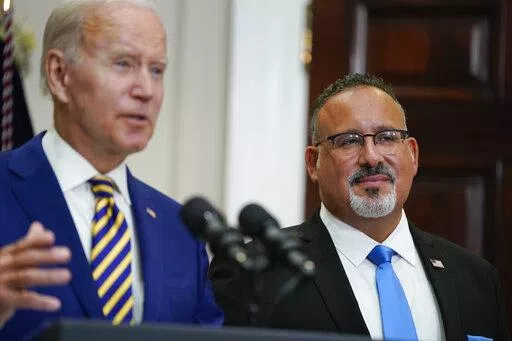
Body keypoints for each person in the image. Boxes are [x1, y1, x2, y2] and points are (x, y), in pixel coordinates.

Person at [210, 74, 510, 341]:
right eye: (348, 142)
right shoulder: (256, 273)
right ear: (314, 163)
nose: (371, 157)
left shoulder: (476, 279)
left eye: (388, 138)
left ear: (413, 155)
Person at [0, 0, 223, 339]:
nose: (146, 90)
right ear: (60, 75)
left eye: (157, 71)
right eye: (123, 64)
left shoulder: (180, 230)